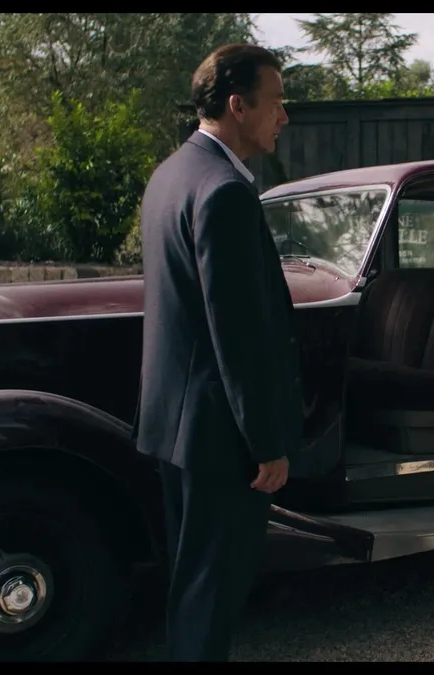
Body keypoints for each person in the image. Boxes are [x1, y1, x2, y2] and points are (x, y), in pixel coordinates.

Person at [133, 43, 300, 662]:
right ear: (238, 105)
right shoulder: (225, 189)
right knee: (212, 591)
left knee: (193, 586)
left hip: (175, 427)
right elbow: (238, 332)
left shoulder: (171, 175)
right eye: (276, 101)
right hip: (220, 436)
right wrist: (267, 442)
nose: (284, 116)